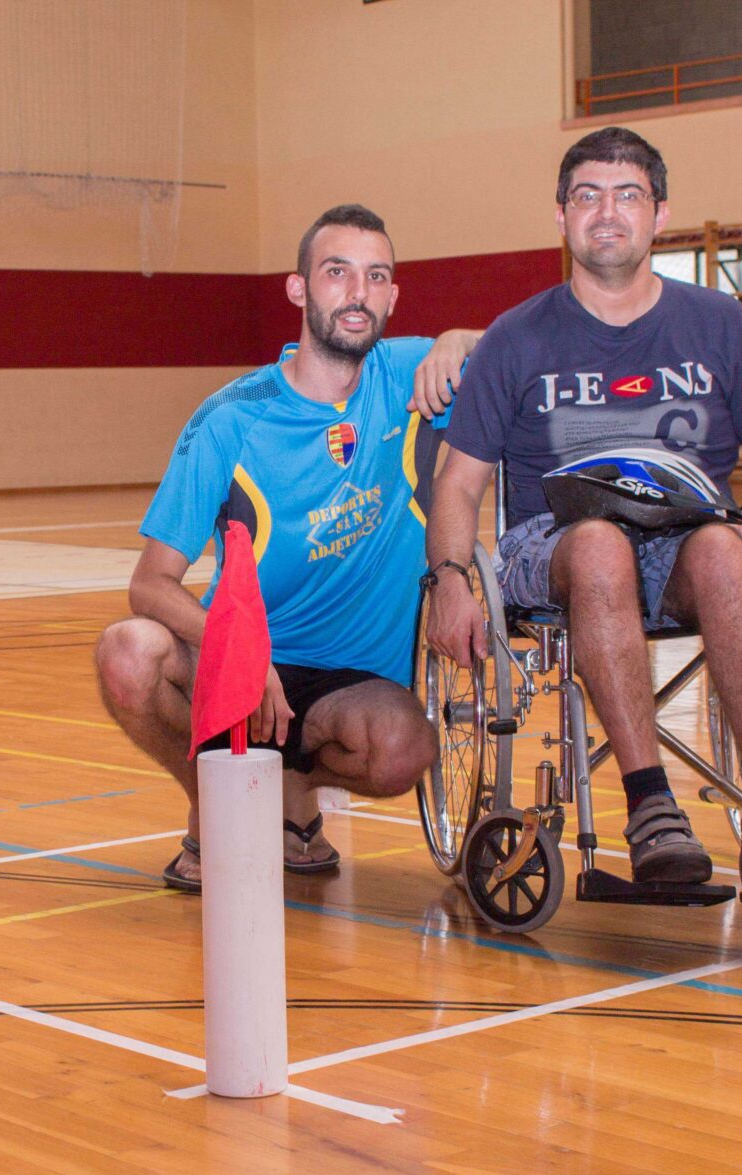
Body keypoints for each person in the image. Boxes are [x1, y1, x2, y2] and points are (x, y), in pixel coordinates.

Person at [425, 127, 742, 893]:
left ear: (660, 214)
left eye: (627, 195)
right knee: (599, 545)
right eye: (588, 196)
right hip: (556, 545)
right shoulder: (516, 338)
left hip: (683, 537)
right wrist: (450, 578)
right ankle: (650, 808)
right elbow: (456, 484)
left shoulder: (717, 323)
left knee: (721, 547)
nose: (607, 212)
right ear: (561, 215)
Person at [95, 203, 480, 892]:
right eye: (337, 273)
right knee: (127, 652)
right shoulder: (231, 417)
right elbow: (150, 584)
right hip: (240, 663)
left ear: (393, 296)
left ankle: (288, 793)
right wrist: (244, 653)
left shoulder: (409, 375)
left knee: (404, 749)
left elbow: (527, 348)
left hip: (354, 681)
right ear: (299, 289)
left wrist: (459, 338)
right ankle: (221, 807)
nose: (357, 293)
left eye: (376, 276)